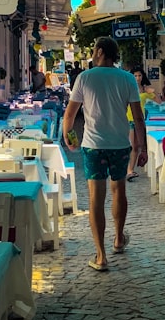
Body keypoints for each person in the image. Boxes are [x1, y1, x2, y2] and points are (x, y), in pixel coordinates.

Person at [63, 37, 146, 271]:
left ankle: (100, 256)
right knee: (119, 190)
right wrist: (142, 147)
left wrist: (69, 139)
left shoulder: (85, 78)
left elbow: (70, 116)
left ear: (99, 52)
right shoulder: (127, 78)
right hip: (119, 144)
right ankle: (118, 239)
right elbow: (138, 117)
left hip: (93, 145)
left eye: (93, 50)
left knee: (95, 198)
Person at [126, 67, 156, 181]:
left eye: (139, 76)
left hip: (140, 120)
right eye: (135, 76)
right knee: (133, 146)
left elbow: (159, 101)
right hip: (129, 119)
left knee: (138, 146)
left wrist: (153, 92)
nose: (137, 78)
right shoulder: (129, 89)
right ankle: (129, 170)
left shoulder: (144, 90)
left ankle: (130, 170)